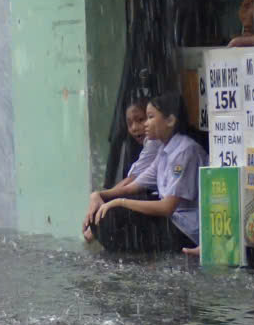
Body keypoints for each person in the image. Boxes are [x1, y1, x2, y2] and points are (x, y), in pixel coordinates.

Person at [86, 92, 207, 253]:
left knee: (111, 218)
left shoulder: (185, 151)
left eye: (150, 117)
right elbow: (132, 187)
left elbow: (167, 207)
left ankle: (135, 260)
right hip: (171, 223)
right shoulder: (164, 151)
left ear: (170, 120)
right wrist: (98, 195)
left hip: (185, 230)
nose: (145, 125)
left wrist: (120, 202)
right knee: (103, 216)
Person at [83, 96, 161, 242]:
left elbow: (131, 182)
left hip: (174, 216)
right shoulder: (151, 144)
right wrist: (101, 197)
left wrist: (103, 199)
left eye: (141, 119)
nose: (134, 128)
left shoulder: (155, 143)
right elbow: (130, 183)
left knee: (111, 215)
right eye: (129, 123)